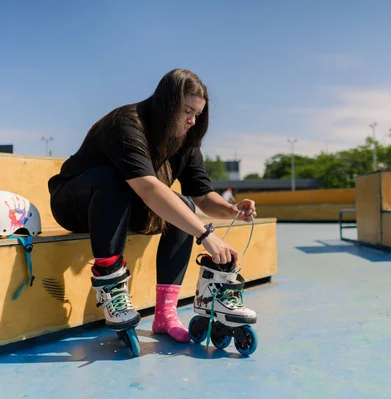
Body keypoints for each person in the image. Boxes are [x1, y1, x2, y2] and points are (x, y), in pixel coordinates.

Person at [47, 69, 257, 343]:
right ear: (167, 103)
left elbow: (203, 196)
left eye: (198, 114)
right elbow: (149, 188)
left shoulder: (184, 139)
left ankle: (166, 314)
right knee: (112, 178)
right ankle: (111, 286)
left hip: (123, 207)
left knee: (182, 204)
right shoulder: (126, 124)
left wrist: (232, 210)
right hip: (75, 202)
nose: (193, 120)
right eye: (187, 111)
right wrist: (205, 235)